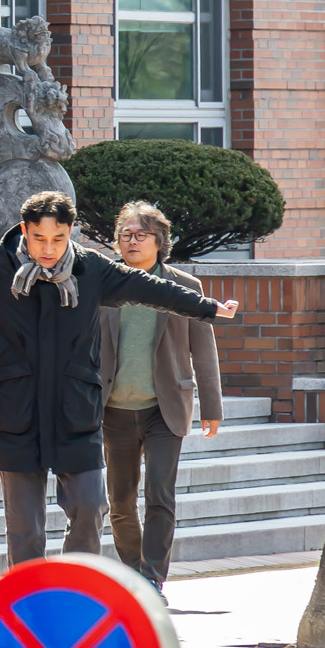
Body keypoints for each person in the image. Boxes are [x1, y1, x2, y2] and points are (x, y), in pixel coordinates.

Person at [0, 190, 237, 568]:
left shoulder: (93, 270)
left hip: (75, 411)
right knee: (25, 528)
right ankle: (30, 611)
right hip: (16, 413)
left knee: (88, 508)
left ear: (71, 234)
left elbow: (151, 288)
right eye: (39, 238)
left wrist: (207, 307)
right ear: (24, 230)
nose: (48, 249)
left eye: (58, 239)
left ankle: (75, 596)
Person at [101, 199, 222, 594]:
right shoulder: (104, 284)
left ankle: (152, 575)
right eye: (125, 235)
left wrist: (212, 405)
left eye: (141, 235)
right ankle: (133, 570)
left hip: (164, 407)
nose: (132, 241)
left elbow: (202, 349)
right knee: (119, 502)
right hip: (112, 409)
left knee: (159, 494)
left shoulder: (185, 287)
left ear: (159, 241)